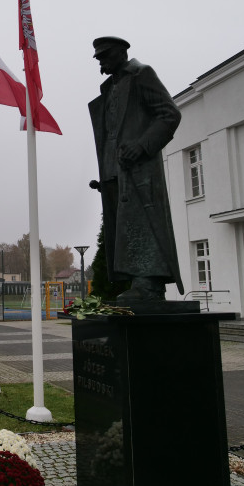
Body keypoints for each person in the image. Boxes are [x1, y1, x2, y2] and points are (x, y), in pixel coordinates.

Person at [88, 37, 184, 302]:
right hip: (114, 170)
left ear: (122, 52)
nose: (101, 61)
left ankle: (150, 284)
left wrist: (142, 146)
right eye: (98, 57)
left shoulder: (142, 75)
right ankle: (137, 281)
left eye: (105, 55)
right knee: (125, 227)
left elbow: (169, 114)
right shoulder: (108, 89)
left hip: (140, 168)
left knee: (144, 222)